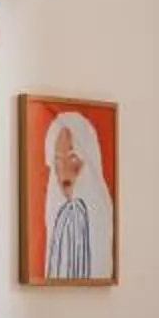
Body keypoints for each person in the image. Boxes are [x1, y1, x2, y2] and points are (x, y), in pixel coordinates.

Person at [41, 108, 112, 281]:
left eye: (72, 157)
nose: (64, 169)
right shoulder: (58, 218)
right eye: (58, 160)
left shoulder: (99, 215)